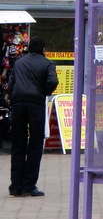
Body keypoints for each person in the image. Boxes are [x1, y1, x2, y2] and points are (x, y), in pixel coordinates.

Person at [7, 37, 58, 197]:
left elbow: (11, 83)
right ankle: (29, 185)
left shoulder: (19, 63)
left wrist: (12, 98)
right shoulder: (47, 63)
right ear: (43, 49)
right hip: (35, 104)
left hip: (18, 103)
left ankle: (15, 186)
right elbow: (53, 81)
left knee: (18, 144)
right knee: (35, 143)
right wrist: (44, 92)